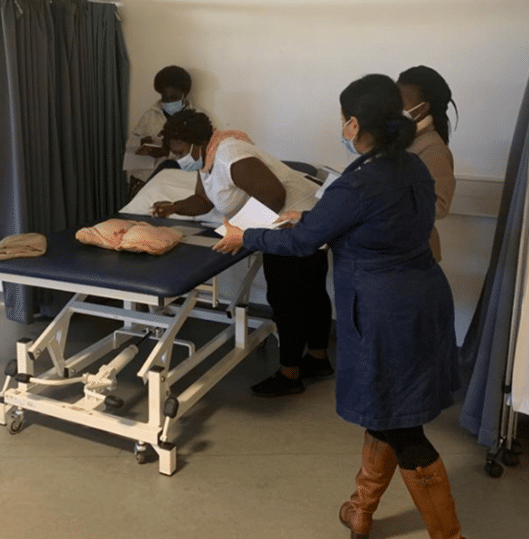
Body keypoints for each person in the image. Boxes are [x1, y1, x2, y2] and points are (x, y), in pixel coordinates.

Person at [214, 74, 464, 539]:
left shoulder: (363, 179)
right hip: (422, 297)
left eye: (342, 121)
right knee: (385, 410)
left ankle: (450, 536)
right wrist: (307, 215)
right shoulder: (408, 166)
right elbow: (371, 219)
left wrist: (244, 235)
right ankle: (361, 510)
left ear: (352, 124)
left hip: (383, 312)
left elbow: (306, 243)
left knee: (403, 429)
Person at [151, 108, 333, 397]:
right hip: (291, 222)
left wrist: (243, 233)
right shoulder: (206, 158)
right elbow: (202, 199)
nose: (176, 158)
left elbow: (274, 195)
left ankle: (290, 374)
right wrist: (174, 207)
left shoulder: (229, 154)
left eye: (179, 151)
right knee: (308, 294)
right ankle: (318, 361)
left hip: (295, 222)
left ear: (196, 143)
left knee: (288, 298)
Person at [397, 65, 457, 262]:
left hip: (415, 253)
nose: (393, 107)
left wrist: (388, 194)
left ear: (422, 108)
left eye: (401, 102)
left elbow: (438, 207)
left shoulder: (432, 148)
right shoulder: (402, 140)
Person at [123, 66, 197, 199]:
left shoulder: (196, 118)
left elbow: (200, 158)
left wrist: (167, 153)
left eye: (173, 98)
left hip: (174, 185)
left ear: (184, 93)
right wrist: (141, 143)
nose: (169, 102)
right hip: (143, 183)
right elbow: (130, 146)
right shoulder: (149, 116)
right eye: (165, 98)